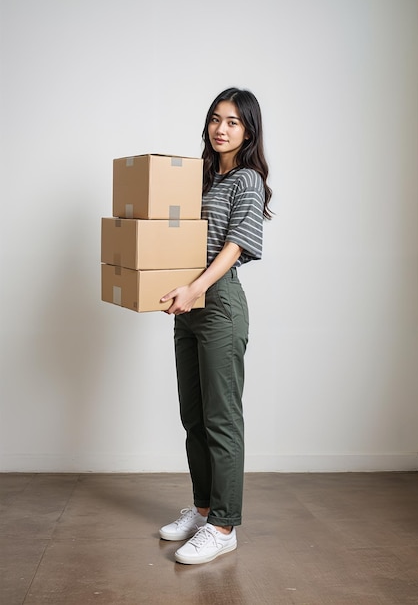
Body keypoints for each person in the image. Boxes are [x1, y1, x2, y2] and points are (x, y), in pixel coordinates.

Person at [159, 87, 273, 564]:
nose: (221, 128)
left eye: (232, 121)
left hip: (218, 303)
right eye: (215, 119)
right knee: (193, 415)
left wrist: (195, 288)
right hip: (188, 304)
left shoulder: (246, 180)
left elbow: (235, 245)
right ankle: (203, 509)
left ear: (248, 130)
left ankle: (224, 526)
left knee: (221, 419)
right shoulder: (202, 179)